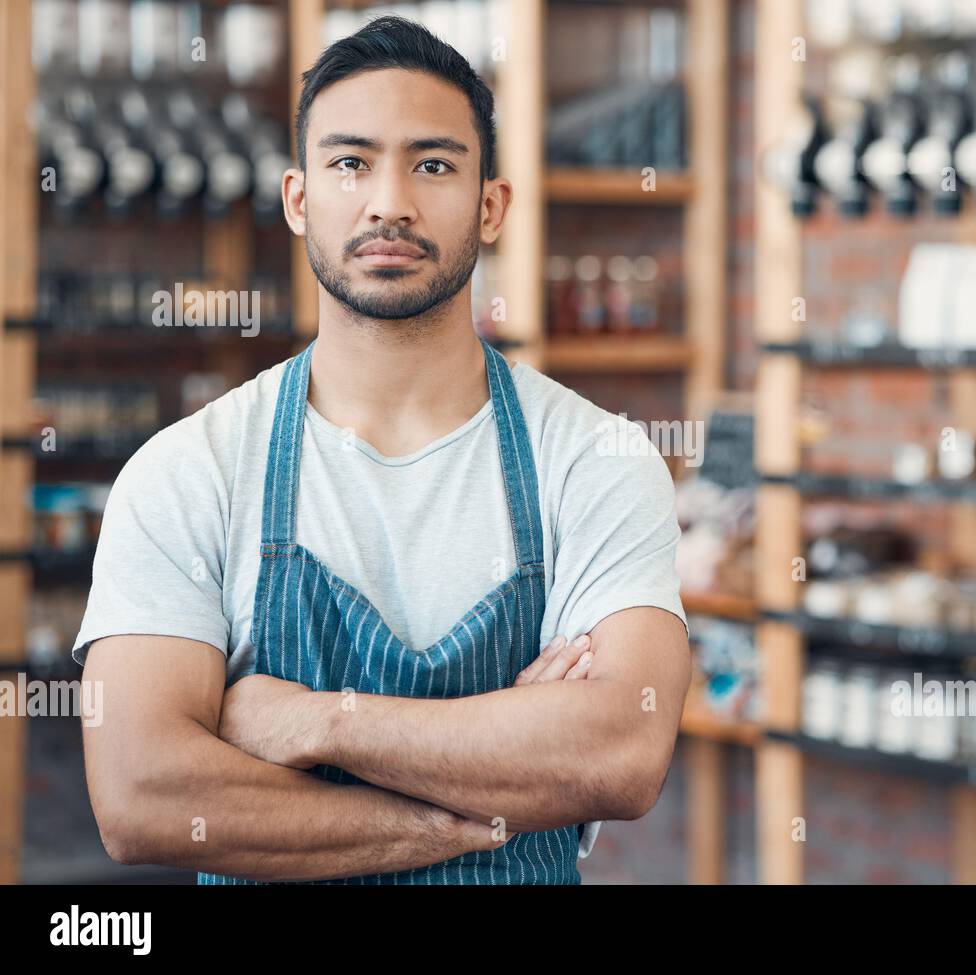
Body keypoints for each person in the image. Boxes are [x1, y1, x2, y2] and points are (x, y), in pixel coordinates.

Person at [74, 16, 690, 885]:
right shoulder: (188, 472)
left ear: (491, 205)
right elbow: (143, 797)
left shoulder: (596, 458)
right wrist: (465, 809)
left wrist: (319, 722)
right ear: (298, 199)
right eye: (350, 162)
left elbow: (621, 750)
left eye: (433, 163)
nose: (389, 202)